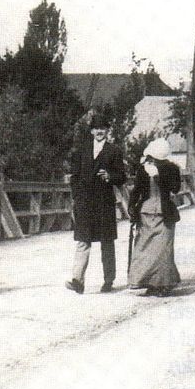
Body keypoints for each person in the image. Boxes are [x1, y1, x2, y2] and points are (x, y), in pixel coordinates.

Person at [66, 114, 126, 294]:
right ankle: (77, 280)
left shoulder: (114, 151)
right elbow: (74, 177)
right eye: (96, 128)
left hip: (103, 202)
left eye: (103, 128)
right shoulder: (81, 151)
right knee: (83, 241)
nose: (99, 131)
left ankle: (108, 280)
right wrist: (77, 198)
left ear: (107, 131)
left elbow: (122, 176)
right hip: (85, 202)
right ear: (92, 131)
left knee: (107, 242)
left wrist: (110, 176)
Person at [128, 138, 182, 297]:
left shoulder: (172, 168)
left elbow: (175, 188)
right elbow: (137, 190)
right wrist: (132, 207)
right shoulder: (143, 169)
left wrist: (159, 176)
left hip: (165, 213)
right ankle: (150, 283)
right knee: (145, 249)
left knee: (163, 251)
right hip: (146, 213)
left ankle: (164, 284)